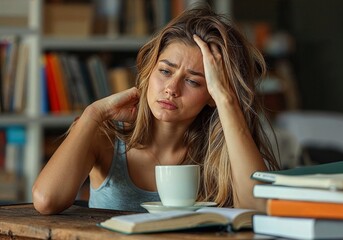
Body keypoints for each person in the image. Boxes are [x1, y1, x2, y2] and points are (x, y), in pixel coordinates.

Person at [32, 5, 279, 215]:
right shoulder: (105, 135)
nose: (172, 88)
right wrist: (93, 114)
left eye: (193, 81)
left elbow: (256, 211)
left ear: (212, 94)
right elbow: (46, 201)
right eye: (165, 71)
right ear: (149, 70)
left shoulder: (222, 152)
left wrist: (227, 101)